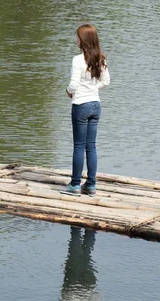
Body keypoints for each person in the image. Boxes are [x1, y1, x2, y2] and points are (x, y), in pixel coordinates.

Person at [60, 24, 110, 197]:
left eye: (78, 37)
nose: (76, 40)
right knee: (91, 147)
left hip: (81, 105)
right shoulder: (101, 58)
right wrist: (93, 87)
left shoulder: (77, 60)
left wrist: (69, 91)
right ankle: (90, 185)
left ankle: (75, 184)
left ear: (84, 41)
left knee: (79, 146)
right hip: (96, 105)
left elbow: (73, 85)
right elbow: (106, 81)